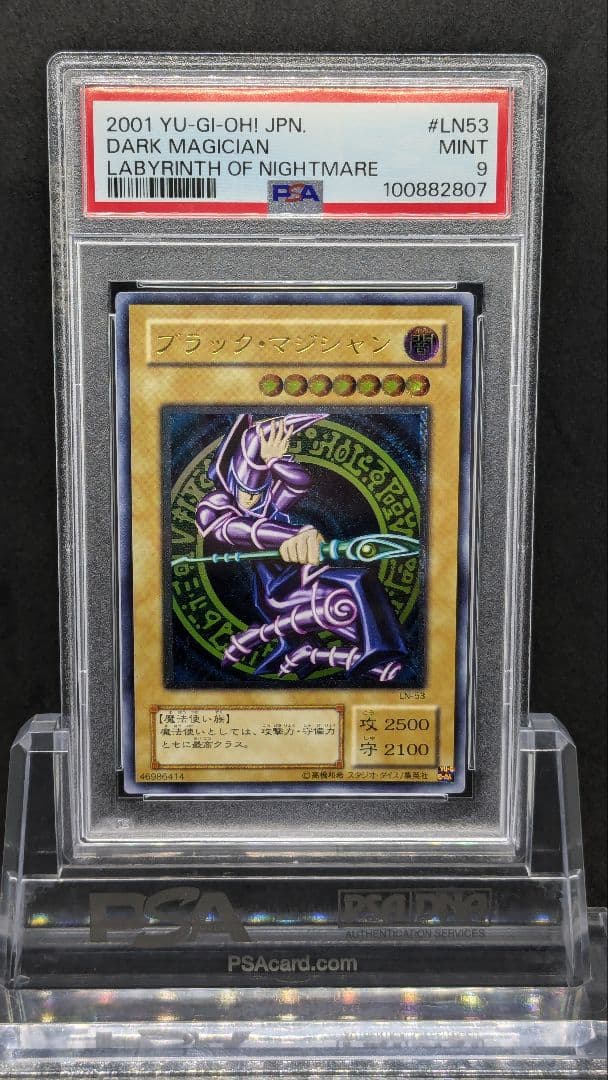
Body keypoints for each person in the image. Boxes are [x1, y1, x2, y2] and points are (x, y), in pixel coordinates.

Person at [195, 413, 405, 681]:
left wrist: (274, 461)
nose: (252, 501)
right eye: (246, 493)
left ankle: (356, 652)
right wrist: (290, 536)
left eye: (258, 493)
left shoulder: (269, 503)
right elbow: (233, 529)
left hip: (300, 576)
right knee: (347, 595)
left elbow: (299, 482)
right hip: (278, 590)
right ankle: (367, 651)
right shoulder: (217, 508)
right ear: (231, 483)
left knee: (355, 586)